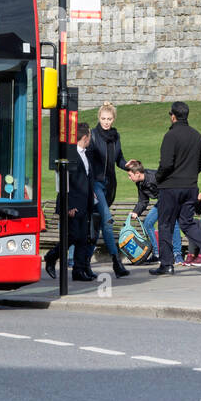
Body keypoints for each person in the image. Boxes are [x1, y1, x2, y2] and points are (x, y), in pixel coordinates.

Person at [151, 101, 201, 275]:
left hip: (170, 187)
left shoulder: (170, 136)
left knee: (166, 224)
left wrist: (158, 178)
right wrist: (189, 174)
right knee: (187, 223)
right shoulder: (197, 136)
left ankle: (166, 264)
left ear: (173, 116)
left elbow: (166, 164)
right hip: (190, 187)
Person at [43, 122, 97, 282]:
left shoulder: (85, 154)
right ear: (85, 137)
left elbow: (86, 179)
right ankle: (51, 256)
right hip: (72, 204)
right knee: (73, 236)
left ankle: (78, 271)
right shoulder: (71, 155)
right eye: (89, 137)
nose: (90, 140)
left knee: (82, 238)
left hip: (84, 203)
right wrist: (69, 206)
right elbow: (66, 183)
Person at [87, 102, 129, 277]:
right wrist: (89, 186)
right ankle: (116, 262)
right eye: (103, 118)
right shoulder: (93, 135)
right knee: (107, 221)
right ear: (99, 118)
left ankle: (83, 264)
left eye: (109, 119)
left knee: (96, 226)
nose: (106, 122)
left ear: (113, 119)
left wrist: (128, 166)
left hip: (109, 185)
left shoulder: (115, 136)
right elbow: (87, 162)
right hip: (95, 184)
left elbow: (118, 159)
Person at [125, 159, 182, 266]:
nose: (129, 178)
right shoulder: (140, 182)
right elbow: (143, 200)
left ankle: (177, 255)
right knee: (147, 223)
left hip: (172, 198)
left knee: (173, 223)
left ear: (137, 173)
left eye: (130, 175)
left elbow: (169, 186)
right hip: (162, 201)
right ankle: (156, 254)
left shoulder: (153, 177)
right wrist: (136, 212)